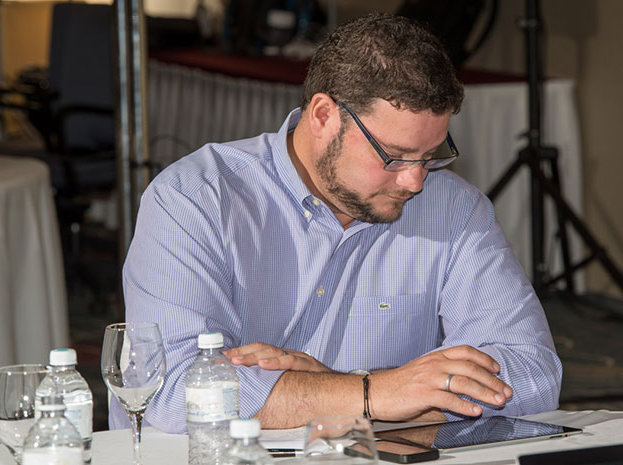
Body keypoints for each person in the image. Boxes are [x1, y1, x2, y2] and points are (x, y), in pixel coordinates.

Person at [111, 13, 562, 433]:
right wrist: (372, 394)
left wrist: (342, 390)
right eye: (394, 156)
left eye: (430, 156)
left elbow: (534, 372)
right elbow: (172, 391)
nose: (415, 181)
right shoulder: (197, 198)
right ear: (324, 116)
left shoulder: (456, 210)